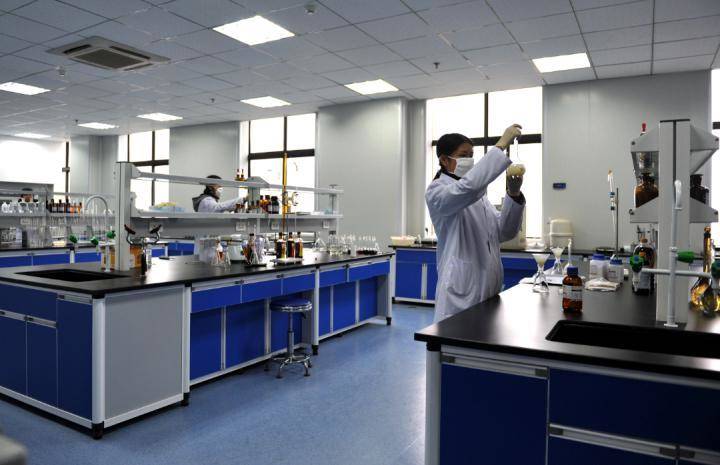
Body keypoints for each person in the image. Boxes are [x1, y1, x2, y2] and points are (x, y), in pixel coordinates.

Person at [426, 124, 525, 322]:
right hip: (461, 294)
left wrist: (513, 194)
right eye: (463, 155)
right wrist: (500, 145)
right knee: (456, 339)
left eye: (472, 155)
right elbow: (468, 188)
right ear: (444, 160)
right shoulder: (438, 191)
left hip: (489, 290)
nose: (470, 160)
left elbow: (504, 232)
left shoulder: (479, 196)